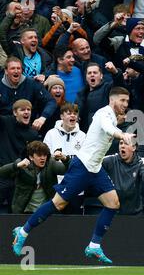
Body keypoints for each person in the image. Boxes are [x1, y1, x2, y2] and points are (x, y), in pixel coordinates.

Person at [12, 87, 135, 264]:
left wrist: (120, 131)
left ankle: (94, 246)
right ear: (112, 100)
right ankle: (22, 231)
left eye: (127, 101)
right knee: (58, 204)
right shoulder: (104, 113)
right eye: (122, 100)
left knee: (113, 203)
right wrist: (122, 134)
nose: (125, 104)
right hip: (82, 166)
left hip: (95, 169)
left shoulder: (113, 117)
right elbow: (108, 129)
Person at [0, 141, 70, 214]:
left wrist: (65, 159)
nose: (43, 158)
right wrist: (16, 166)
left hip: (46, 211)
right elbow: (1, 172)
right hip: (24, 210)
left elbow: (69, 170)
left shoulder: (50, 164)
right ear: (31, 157)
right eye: (39, 155)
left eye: (45, 155)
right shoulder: (22, 164)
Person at [103, 138, 144, 215]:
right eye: (121, 143)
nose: (122, 146)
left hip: (134, 212)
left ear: (134, 148)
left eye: (126, 143)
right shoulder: (111, 160)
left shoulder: (140, 163)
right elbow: (95, 162)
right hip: (114, 211)